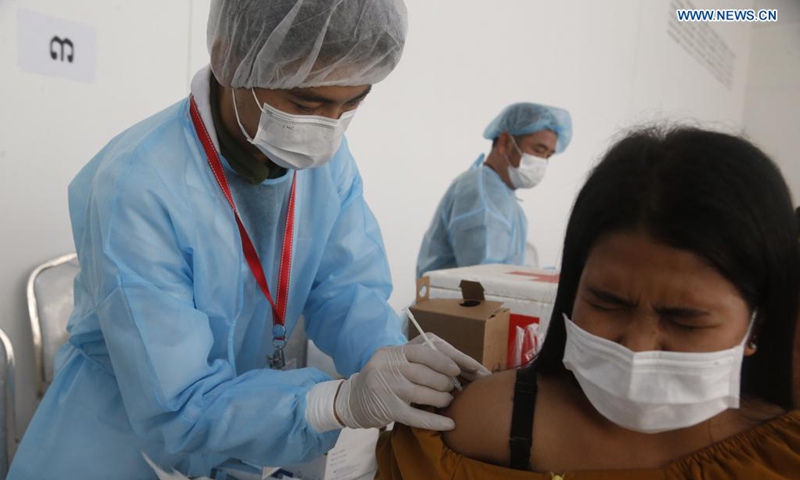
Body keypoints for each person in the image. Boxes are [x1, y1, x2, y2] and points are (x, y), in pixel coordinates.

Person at [9, 1, 489, 478]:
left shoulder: (324, 163)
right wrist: (335, 403)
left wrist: (389, 355)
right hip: (119, 441)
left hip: (239, 426)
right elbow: (177, 406)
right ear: (229, 59)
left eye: (354, 102)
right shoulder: (139, 184)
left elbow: (344, 289)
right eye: (306, 104)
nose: (327, 127)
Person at [377, 127, 800, 479]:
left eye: (685, 321)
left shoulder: (781, 454)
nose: (635, 348)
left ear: (757, 324)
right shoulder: (481, 427)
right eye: (607, 302)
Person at [415, 102, 572, 278]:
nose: (542, 162)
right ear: (505, 142)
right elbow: (485, 279)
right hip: (449, 305)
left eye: (548, 155)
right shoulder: (481, 194)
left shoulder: (504, 197)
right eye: (538, 150)